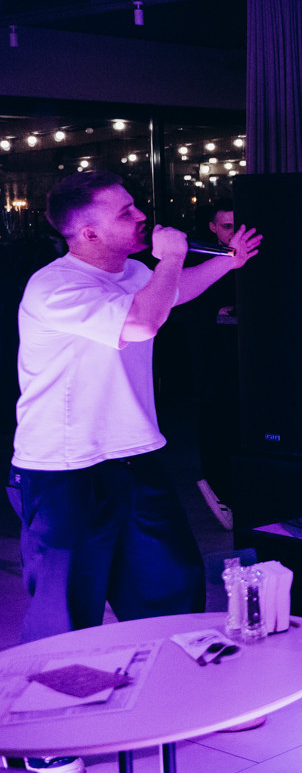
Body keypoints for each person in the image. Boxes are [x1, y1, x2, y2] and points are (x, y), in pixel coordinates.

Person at [10, 171, 261, 643]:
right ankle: (63, 690)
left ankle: (169, 685)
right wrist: (172, 257)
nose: (142, 215)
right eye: (125, 212)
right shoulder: (55, 287)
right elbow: (143, 322)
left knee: (171, 589)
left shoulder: (133, 272)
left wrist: (229, 261)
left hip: (134, 458)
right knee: (66, 615)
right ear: (90, 234)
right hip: (64, 469)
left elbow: (174, 292)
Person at [187, 196, 240, 529]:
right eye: (226, 226)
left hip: (243, 354)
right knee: (216, 417)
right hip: (212, 353)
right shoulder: (201, 258)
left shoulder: (246, 256)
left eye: (236, 225)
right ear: (212, 228)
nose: (232, 232)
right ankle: (220, 491)